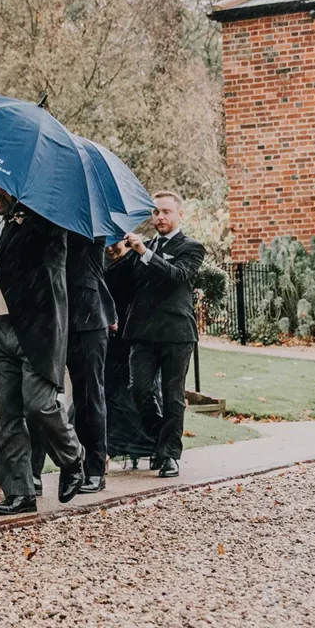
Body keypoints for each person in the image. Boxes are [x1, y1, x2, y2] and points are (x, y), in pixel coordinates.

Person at [0, 180, 85, 515]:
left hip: (37, 330)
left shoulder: (46, 220)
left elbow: (43, 260)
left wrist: (28, 211)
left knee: (39, 406)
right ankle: (20, 493)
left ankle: (73, 457)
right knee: (6, 415)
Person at [121, 191, 205, 478]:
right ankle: (161, 441)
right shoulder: (141, 248)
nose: (159, 217)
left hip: (176, 332)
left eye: (166, 212)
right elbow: (126, 284)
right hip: (142, 331)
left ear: (179, 215)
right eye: (155, 212)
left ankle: (169, 455)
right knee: (139, 390)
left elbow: (177, 275)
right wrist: (121, 252)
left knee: (173, 395)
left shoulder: (192, 247)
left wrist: (145, 253)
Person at [65, 230, 115, 493]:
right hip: (50, 318)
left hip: (88, 319)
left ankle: (95, 468)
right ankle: (34, 474)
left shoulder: (91, 222)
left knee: (89, 397)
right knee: (38, 398)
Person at [103, 238, 157, 468]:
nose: (111, 248)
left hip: (133, 334)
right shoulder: (104, 265)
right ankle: (111, 446)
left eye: (115, 242)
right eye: (107, 243)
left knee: (131, 391)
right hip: (110, 338)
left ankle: (149, 443)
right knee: (110, 393)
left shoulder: (135, 262)